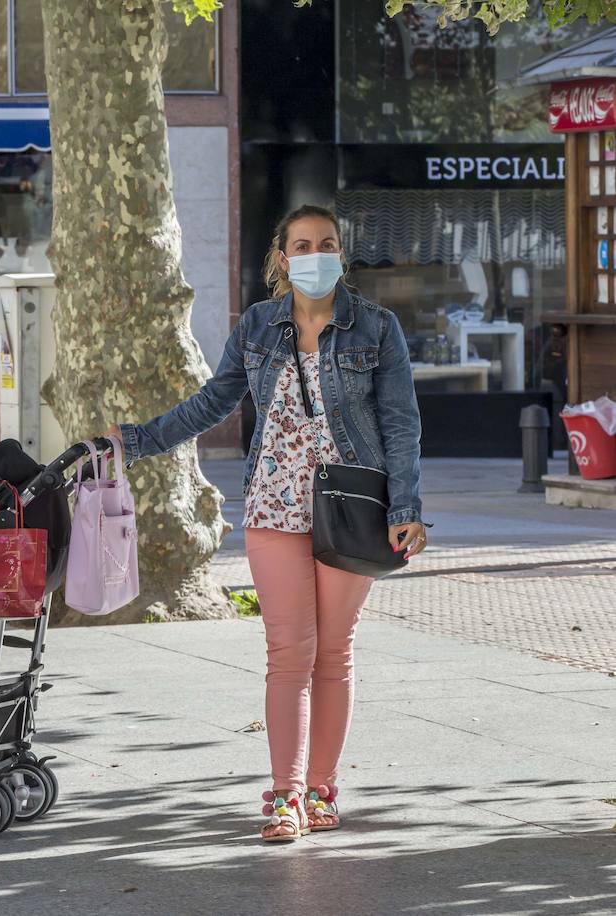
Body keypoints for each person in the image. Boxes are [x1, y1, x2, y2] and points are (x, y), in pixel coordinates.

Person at [107, 204, 428, 842]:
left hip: (354, 508)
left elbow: (401, 422)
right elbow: (215, 401)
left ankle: (321, 789)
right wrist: (139, 439)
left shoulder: (376, 328)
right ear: (282, 257)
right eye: (302, 244)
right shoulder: (258, 325)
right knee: (289, 652)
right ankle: (285, 797)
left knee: (333, 652)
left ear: (342, 252)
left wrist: (407, 509)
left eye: (327, 243)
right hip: (273, 505)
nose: (316, 255)